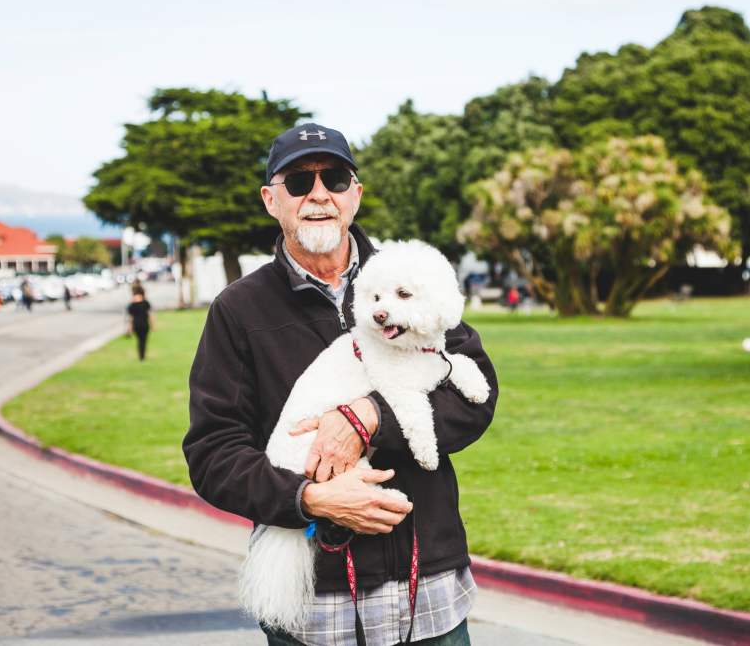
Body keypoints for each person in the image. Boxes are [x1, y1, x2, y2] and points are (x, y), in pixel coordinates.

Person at [183, 123, 498, 646]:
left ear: (356, 193)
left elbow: (474, 394)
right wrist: (309, 498)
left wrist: (369, 415)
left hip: (429, 588)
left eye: (334, 177)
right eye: (298, 183)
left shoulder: (408, 275)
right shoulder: (238, 310)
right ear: (271, 200)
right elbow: (213, 453)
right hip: (315, 606)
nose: (319, 195)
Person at [126, 284, 153, 361]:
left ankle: (141, 356)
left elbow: (131, 317)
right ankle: (143, 355)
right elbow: (150, 315)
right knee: (144, 340)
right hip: (145, 324)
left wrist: (130, 328)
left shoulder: (132, 304)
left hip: (136, 324)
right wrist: (152, 325)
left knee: (139, 341)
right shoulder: (145, 302)